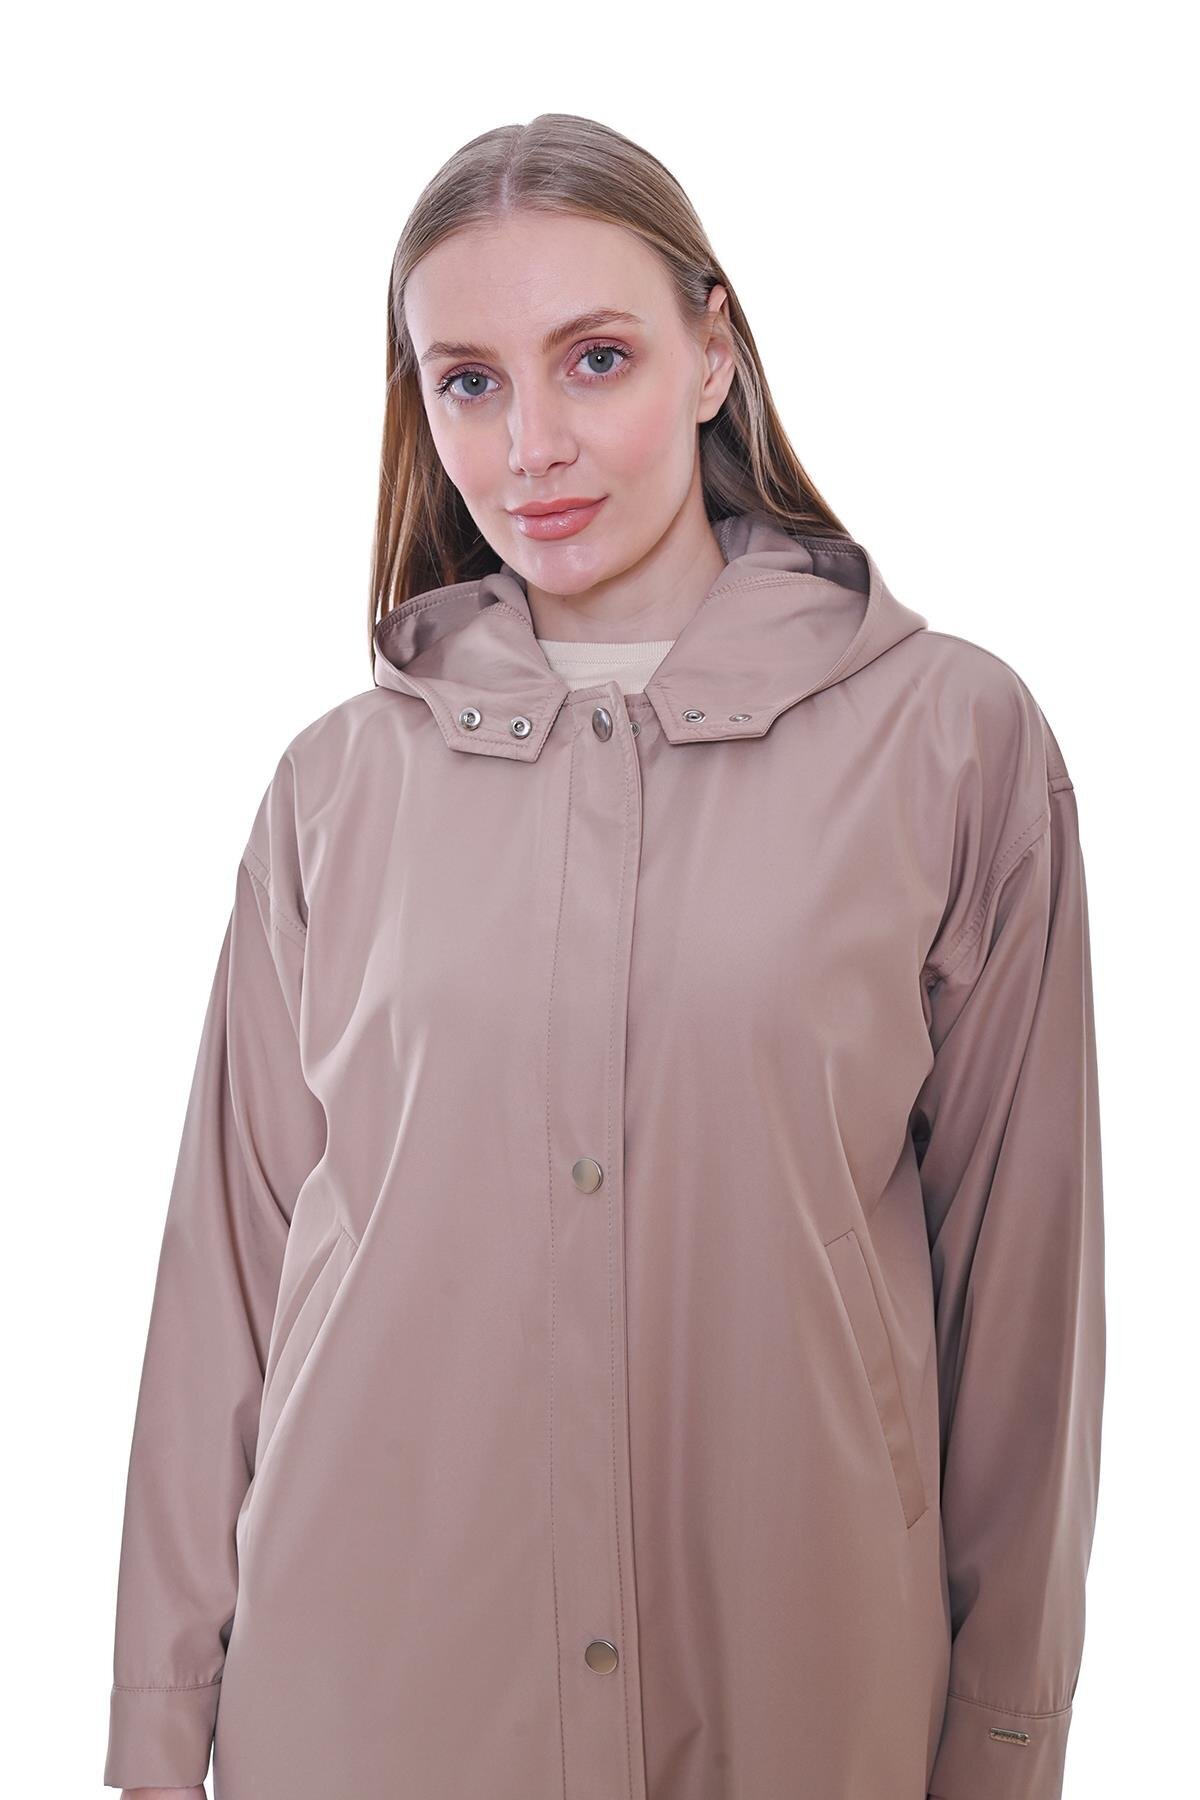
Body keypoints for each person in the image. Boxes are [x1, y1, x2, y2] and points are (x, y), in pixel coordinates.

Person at [103, 112, 1106, 1800]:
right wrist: (154, 1727)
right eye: (468, 382)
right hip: (368, 1708)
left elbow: (1025, 1298)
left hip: (796, 1701)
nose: (532, 446)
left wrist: (1006, 1739)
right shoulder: (335, 787)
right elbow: (227, 1283)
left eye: (596, 358)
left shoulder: (952, 741)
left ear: (715, 351)